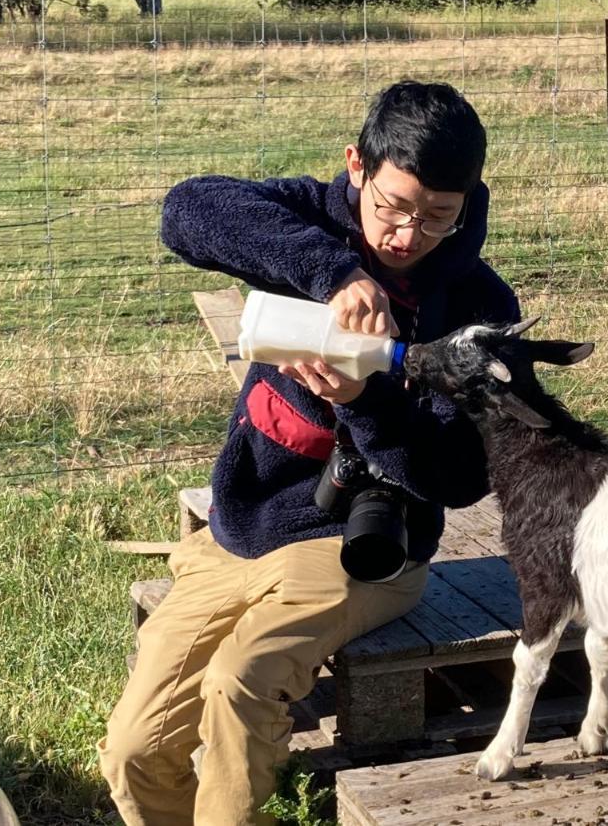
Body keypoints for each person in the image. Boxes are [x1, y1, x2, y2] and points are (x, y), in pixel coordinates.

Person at [97, 81, 520, 826]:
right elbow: (186, 209)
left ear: (468, 203)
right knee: (133, 749)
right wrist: (335, 273)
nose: (406, 235)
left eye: (436, 218)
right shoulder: (315, 222)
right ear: (356, 166)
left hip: (363, 547)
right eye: (391, 207)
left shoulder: (481, 307)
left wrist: (366, 404)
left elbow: (460, 477)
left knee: (240, 684)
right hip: (242, 532)